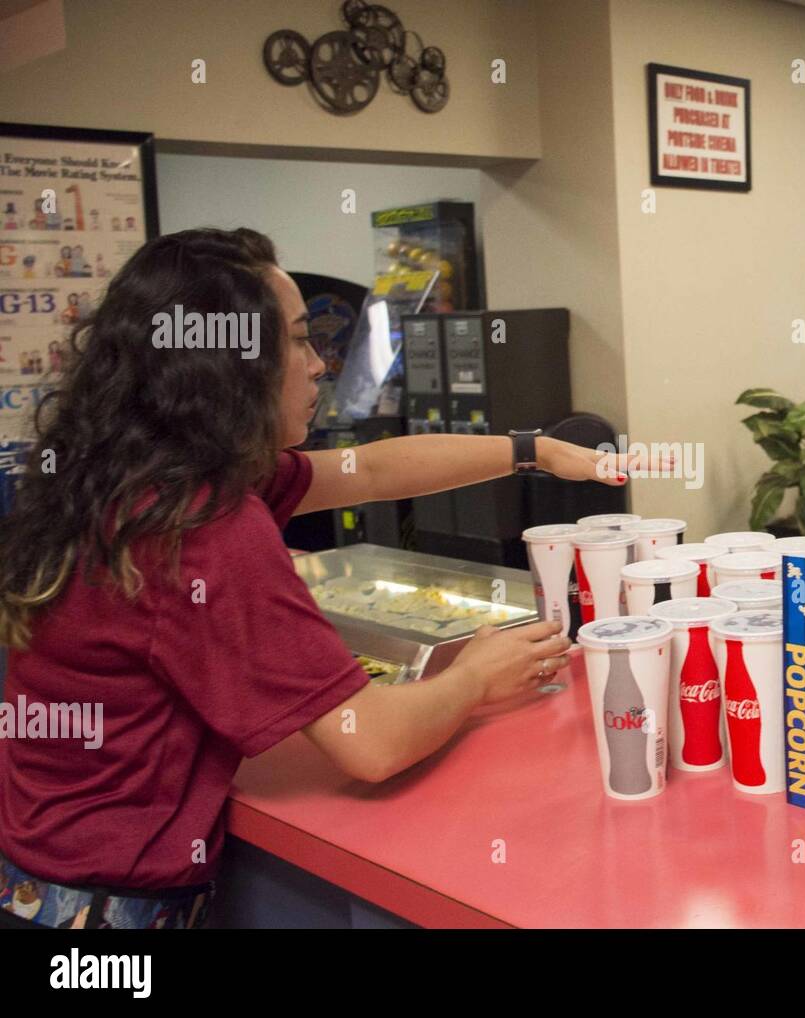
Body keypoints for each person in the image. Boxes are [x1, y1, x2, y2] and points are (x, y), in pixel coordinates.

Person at [0, 227, 656, 929]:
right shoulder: (203, 526)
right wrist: (476, 678)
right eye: (299, 340)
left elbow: (370, 469)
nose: (319, 365)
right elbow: (370, 744)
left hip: (33, 882)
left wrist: (534, 450)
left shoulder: (133, 477)